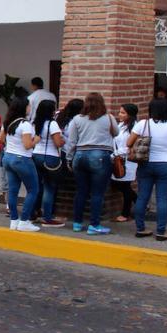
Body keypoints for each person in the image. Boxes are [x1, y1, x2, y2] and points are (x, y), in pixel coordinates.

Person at [128, 98, 167, 240]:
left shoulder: (143, 124)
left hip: (146, 164)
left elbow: (129, 142)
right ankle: (161, 231)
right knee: (162, 199)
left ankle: (140, 228)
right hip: (166, 165)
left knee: (142, 197)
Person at [67, 92, 118, 235]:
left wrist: (69, 159)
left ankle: (77, 223)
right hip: (100, 156)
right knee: (97, 193)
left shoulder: (77, 119)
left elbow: (71, 141)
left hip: (80, 155)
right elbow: (117, 133)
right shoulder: (108, 118)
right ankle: (94, 224)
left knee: (81, 191)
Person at [0, 97, 40, 232]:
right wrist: (37, 139)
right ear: (23, 108)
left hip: (8, 157)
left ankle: (14, 221)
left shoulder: (7, 122)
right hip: (22, 159)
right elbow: (28, 145)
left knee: (13, 190)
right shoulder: (25, 124)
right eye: (28, 106)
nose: (30, 108)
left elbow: (1, 139)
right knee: (33, 190)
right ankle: (24, 221)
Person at [31, 99, 65, 227]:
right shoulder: (52, 124)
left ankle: (33, 213)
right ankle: (47, 217)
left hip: (36, 155)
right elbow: (57, 143)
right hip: (50, 157)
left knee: (36, 187)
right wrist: (63, 141)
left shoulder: (35, 123)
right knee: (49, 188)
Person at [111, 103, 139, 223]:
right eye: (120, 112)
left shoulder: (135, 127)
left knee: (125, 186)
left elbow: (130, 146)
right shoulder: (121, 125)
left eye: (123, 113)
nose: (120, 115)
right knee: (118, 184)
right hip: (117, 159)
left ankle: (126, 213)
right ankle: (139, 202)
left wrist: (115, 153)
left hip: (127, 160)